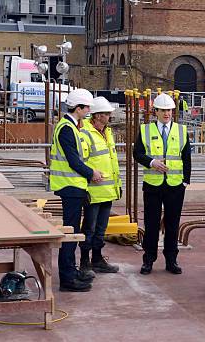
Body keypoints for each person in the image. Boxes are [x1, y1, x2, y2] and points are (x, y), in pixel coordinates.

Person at [50, 88, 103, 292]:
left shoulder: (72, 127)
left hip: (74, 187)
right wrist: (92, 173)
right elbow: (73, 160)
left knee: (73, 231)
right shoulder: (66, 128)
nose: (89, 110)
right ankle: (67, 279)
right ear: (78, 108)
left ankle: (70, 274)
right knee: (70, 233)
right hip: (69, 187)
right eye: (87, 107)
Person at [133, 93, 192, 275]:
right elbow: (137, 153)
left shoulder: (181, 131)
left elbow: (186, 158)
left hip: (175, 186)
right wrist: (152, 162)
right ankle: (148, 260)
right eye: (163, 110)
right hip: (153, 185)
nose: (166, 113)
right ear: (155, 112)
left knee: (173, 224)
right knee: (151, 224)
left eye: (169, 110)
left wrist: (185, 182)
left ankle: (171, 260)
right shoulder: (145, 130)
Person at [79, 97, 122, 277]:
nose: (109, 117)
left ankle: (97, 260)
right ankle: (84, 263)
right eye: (105, 114)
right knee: (89, 229)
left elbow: (111, 162)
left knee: (101, 229)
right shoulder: (85, 133)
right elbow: (81, 161)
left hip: (107, 190)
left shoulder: (107, 132)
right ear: (96, 116)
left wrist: (117, 186)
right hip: (93, 191)